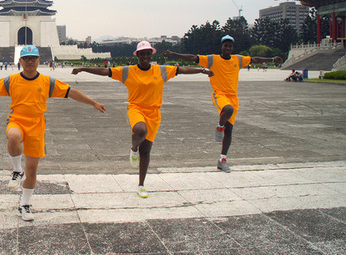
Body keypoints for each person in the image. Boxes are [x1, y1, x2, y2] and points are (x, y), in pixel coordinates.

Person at [0, 45, 106, 221]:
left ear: (39, 61)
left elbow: (72, 93)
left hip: (37, 125)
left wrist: (93, 103)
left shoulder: (48, 82)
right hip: (17, 119)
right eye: (26, 58)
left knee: (32, 170)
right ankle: (17, 170)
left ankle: (24, 205)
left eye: (33, 58)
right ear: (20, 61)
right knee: (13, 137)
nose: (30, 61)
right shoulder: (11, 81)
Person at [72, 41, 213, 198]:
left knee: (145, 152)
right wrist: (83, 68)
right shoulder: (127, 71)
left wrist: (201, 70)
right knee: (140, 130)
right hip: (136, 109)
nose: (145, 56)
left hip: (154, 113)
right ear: (137, 55)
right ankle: (133, 150)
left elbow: (182, 70)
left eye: (148, 53)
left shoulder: (161, 70)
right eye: (142, 53)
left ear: (151, 55)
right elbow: (106, 71)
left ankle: (141, 185)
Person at [163, 35, 283, 173]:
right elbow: (193, 57)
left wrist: (272, 59)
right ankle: (219, 126)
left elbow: (254, 59)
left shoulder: (238, 59)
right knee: (228, 109)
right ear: (222, 46)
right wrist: (174, 54)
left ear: (232, 48)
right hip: (219, 94)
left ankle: (222, 160)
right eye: (225, 45)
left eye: (230, 46)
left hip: (233, 97)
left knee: (230, 130)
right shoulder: (212, 59)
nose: (227, 48)